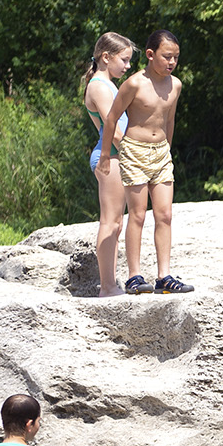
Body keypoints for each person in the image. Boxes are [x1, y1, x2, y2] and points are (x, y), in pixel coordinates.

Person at [96, 29, 193, 295]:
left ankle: (164, 276)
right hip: (134, 150)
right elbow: (112, 118)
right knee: (137, 214)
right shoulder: (135, 83)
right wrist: (106, 155)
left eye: (175, 57)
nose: (171, 62)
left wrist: (168, 150)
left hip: (161, 152)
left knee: (165, 214)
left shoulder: (175, 85)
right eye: (166, 56)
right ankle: (134, 276)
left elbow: (169, 119)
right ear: (150, 55)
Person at [82, 31, 136, 297]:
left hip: (117, 155)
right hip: (111, 156)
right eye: (124, 60)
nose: (127, 66)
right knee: (110, 222)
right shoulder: (98, 86)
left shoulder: (108, 85)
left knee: (117, 222)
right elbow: (111, 127)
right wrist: (137, 153)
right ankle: (107, 287)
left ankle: (112, 283)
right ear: (106, 57)